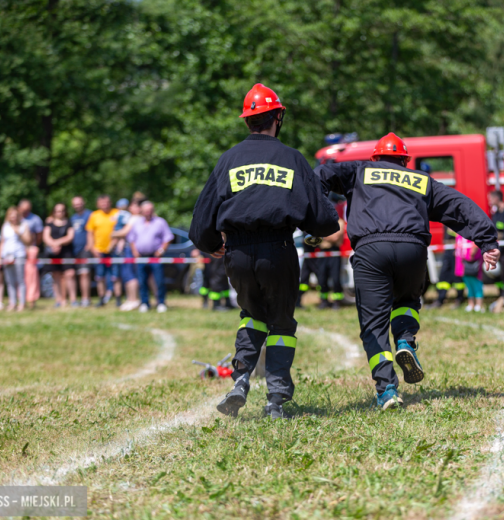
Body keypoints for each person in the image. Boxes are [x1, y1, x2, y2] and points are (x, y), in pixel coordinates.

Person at [316, 132, 499, 409]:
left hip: (371, 250)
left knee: (374, 325)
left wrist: (320, 217)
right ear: (404, 161)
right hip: (412, 250)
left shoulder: (359, 170)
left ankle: (387, 390)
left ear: (375, 158)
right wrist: (487, 241)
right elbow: (458, 205)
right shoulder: (420, 181)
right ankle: (405, 340)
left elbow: (318, 175)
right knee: (406, 300)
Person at [189, 83, 339, 419]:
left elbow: (199, 225)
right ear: (278, 118)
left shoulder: (227, 160)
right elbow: (325, 220)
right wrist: (316, 230)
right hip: (279, 249)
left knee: (252, 317)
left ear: (247, 122)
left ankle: (240, 380)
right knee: (282, 324)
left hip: (238, 254)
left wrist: (215, 246)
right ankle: (275, 400)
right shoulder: (291, 158)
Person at [128, 201, 173, 313]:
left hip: (155, 257)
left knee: (159, 280)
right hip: (141, 257)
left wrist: (161, 250)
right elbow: (131, 239)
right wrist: (134, 250)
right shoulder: (137, 223)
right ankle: (145, 303)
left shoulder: (160, 222)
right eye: (146, 210)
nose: (148, 213)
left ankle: (161, 302)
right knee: (142, 281)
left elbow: (168, 238)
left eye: (150, 210)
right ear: (142, 211)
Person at [85, 195, 119, 307]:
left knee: (116, 275)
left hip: (114, 250)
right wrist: (92, 247)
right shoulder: (94, 215)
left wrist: (115, 243)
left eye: (107, 202)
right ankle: (101, 299)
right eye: (102, 202)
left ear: (110, 202)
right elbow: (90, 233)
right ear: (98, 204)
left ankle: (118, 299)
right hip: (99, 250)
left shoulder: (117, 213)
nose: (105, 204)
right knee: (100, 276)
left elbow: (121, 229)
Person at [43, 203, 76, 308]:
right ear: (54, 212)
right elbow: (46, 237)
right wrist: (53, 245)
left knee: (69, 274)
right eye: (57, 211)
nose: (60, 213)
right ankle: (59, 299)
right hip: (53, 253)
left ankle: (73, 299)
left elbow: (70, 236)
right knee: (56, 276)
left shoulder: (69, 223)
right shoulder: (49, 223)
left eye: (62, 210)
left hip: (66, 252)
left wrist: (58, 243)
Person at [0, 207, 32, 312]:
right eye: (11, 215)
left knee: (20, 280)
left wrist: (19, 232)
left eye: (15, 215)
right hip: (7, 256)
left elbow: (28, 241)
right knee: (10, 281)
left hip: (19, 255)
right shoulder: (5, 226)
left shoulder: (24, 225)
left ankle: (22, 303)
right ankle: (12, 303)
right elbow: (2, 242)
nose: (13, 217)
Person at [428, 227, 467, 309]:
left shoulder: (456, 216)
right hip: (447, 248)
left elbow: (463, 231)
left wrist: (453, 230)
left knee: (456, 276)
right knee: (443, 275)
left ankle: (459, 299)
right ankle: (440, 299)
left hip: (456, 247)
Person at [18, 199, 43, 308]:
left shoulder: (35, 219)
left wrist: (32, 247)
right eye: (23, 209)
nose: (25, 211)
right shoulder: (15, 219)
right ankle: (20, 301)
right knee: (19, 277)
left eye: (28, 209)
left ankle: (32, 300)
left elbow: (39, 237)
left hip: (31, 251)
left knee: (32, 277)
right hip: (17, 250)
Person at [316, 218, 345, 310]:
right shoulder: (320, 221)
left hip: (334, 252)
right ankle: (324, 301)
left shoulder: (339, 222)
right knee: (322, 278)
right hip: (323, 252)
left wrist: (322, 235)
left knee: (335, 278)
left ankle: (337, 302)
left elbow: (335, 237)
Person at [70, 196, 93, 307]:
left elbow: (93, 231)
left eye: (79, 203)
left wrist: (89, 246)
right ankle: (73, 299)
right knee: (73, 274)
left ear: (83, 202)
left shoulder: (90, 215)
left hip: (85, 249)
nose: (77, 205)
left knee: (84, 273)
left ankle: (85, 299)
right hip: (73, 250)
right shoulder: (72, 218)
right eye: (75, 204)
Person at [455, 235, 484, 312]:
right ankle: (471, 304)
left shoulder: (471, 231)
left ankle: (479, 305)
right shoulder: (459, 234)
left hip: (473, 263)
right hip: (463, 264)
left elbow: (477, 241)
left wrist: (472, 253)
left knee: (477, 285)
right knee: (469, 286)